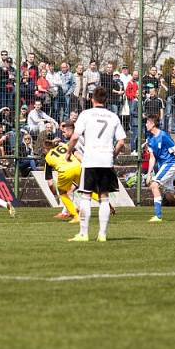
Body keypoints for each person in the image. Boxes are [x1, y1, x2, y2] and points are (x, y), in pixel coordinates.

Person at [65, 87, 125, 243]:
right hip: (106, 161)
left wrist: (68, 153)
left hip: (90, 160)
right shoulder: (113, 116)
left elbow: (75, 137)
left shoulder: (86, 114)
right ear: (106, 100)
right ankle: (102, 234)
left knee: (85, 196)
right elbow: (121, 142)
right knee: (104, 197)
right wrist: (113, 155)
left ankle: (84, 234)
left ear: (92, 99)